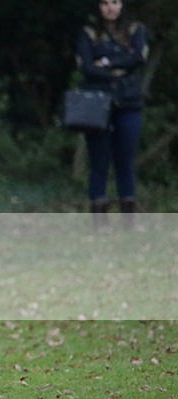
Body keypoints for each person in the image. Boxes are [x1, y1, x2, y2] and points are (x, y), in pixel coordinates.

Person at [75, 0, 148, 229]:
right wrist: (117, 69)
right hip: (97, 105)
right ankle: (100, 222)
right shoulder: (88, 33)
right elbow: (85, 66)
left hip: (129, 102)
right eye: (105, 3)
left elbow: (138, 57)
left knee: (125, 159)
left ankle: (128, 221)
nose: (110, 8)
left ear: (122, 5)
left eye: (115, 2)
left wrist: (105, 63)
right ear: (98, 7)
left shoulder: (136, 30)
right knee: (99, 161)